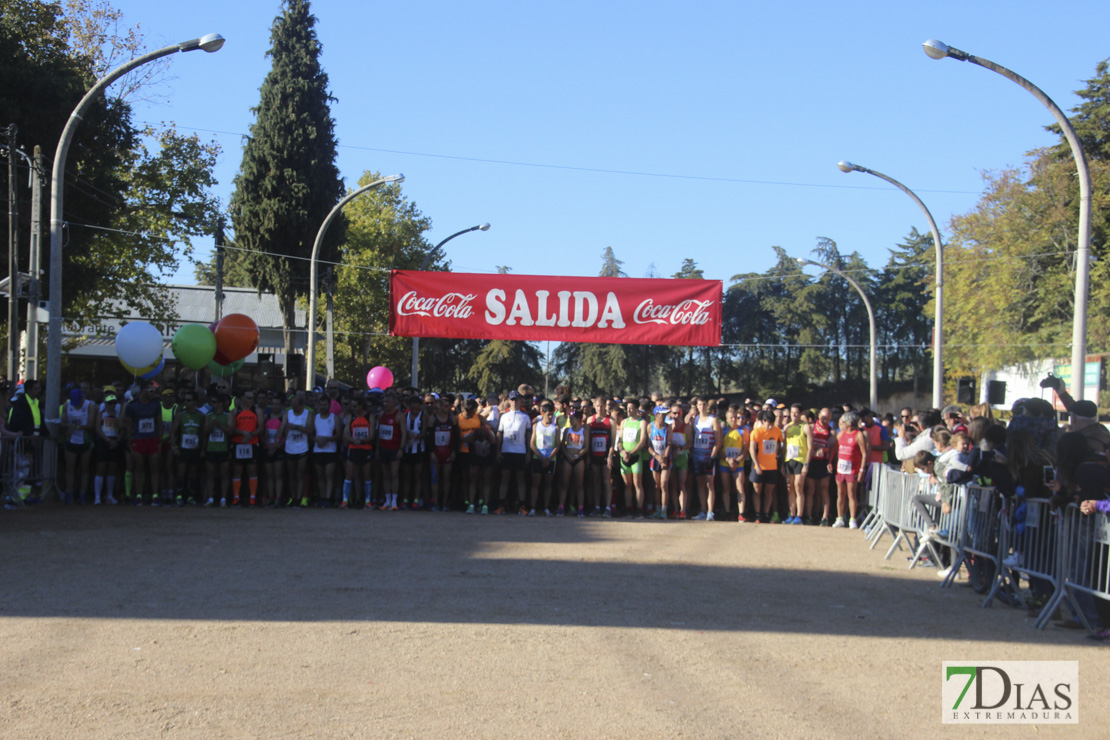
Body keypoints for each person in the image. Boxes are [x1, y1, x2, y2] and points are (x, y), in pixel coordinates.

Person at [124, 381, 162, 506]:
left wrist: (159, 441)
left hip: (152, 439)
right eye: (150, 390)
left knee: (154, 467)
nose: (153, 393)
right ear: (142, 391)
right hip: (138, 439)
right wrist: (130, 441)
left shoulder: (156, 405)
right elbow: (128, 425)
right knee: (138, 467)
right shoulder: (132, 406)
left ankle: (155, 496)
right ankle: (138, 495)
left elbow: (159, 423)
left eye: (154, 391)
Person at [495, 391, 531, 515]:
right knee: (504, 479)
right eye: (512, 400)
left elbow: (528, 436)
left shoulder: (525, 417)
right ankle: (501, 505)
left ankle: (522, 506)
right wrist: (498, 451)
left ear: (520, 401)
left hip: (520, 452)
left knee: (521, 480)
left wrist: (528, 452)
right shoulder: (504, 417)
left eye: (517, 399)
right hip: (506, 451)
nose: (514, 402)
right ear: (508, 401)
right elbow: (499, 434)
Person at [832, 410, 869, 529]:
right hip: (840, 469)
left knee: (851, 494)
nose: (841, 423)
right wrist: (830, 461)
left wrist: (862, 470)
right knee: (840, 494)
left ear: (848, 423)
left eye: (842, 421)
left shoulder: (858, 435)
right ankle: (840, 518)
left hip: (852, 469)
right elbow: (834, 447)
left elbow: (864, 453)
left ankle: (852, 519)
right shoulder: (841, 433)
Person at [169, 390, 206, 506]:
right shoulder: (180, 415)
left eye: (189, 400)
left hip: (195, 448)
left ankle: (191, 496)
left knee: (193, 474)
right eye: (185, 400)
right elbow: (173, 432)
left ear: (195, 402)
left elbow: (203, 434)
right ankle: (179, 496)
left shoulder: (201, 416)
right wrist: (174, 446)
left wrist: (203, 449)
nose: (186, 402)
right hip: (183, 448)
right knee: (181, 473)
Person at [615, 398, 649, 518]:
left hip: (635, 456)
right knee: (627, 484)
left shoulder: (642, 422)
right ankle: (629, 508)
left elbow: (642, 441)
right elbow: (620, 440)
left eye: (631, 408)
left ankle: (639, 509)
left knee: (637, 483)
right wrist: (623, 451)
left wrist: (631, 453)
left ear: (636, 409)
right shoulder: (624, 422)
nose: (628, 410)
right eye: (627, 408)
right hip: (624, 457)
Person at [750, 409, 784, 524]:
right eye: (768, 423)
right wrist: (757, 465)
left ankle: (765, 513)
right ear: (763, 421)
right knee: (757, 490)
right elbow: (752, 449)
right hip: (759, 466)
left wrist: (780, 458)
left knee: (769, 491)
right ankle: (757, 514)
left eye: (772, 424)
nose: (770, 426)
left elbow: (780, 445)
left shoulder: (777, 431)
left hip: (772, 466)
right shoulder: (757, 432)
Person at [61, 386, 95, 504]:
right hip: (71, 440)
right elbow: (63, 422)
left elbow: (91, 424)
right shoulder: (67, 405)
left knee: (84, 468)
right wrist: (66, 428)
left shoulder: (89, 405)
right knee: (70, 468)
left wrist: (78, 427)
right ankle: (69, 493)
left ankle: (82, 494)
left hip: (85, 440)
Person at [280, 390, 313, 508]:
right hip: (290, 447)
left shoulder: (307, 414)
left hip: (302, 448)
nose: (292, 408)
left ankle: (299, 498)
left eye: (295, 405)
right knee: (291, 474)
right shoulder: (287, 414)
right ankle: (293, 497)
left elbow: (310, 430)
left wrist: (296, 427)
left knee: (300, 473)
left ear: (300, 405)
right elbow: (282, 429)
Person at [690, 396, 721, 521]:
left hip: (708, 455)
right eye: (700, 405)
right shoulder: (695, 420)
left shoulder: (713, 420)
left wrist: (713, 456)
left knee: (710, 484)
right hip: (697, 455)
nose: (702, 407)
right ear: (696, 406)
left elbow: (718, 441)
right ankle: (703, 510)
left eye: (704, 404)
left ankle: (710, 511)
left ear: (707, 406)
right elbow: (692, 437)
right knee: (700, 484)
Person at [528, 400, 561, 515]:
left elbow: (557, 445)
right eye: (548, 414)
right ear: (542, 413)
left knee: (548, 484)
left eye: (552, 414)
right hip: (538, 458)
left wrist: (549, 458)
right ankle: (533, 508)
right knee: (535, 483)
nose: (550, 416)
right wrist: (540, 457)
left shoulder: (556, 427)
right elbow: (532, 443)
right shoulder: (536, 426)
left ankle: (546, 508)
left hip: (551, 460)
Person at [230, 388, 261, 507]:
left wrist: (251, 435)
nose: (251, 400)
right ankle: (236, 498)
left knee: (252, 470)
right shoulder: (235, 411)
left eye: (252, 398)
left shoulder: (256, 410)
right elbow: (232, 428)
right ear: (242, 398)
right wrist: (243, 433)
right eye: (248, 398)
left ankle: (252, 498)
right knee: (237, 471)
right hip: (239, 443)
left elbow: (261, 427)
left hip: (252, 444)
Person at [91, 391, 123, 505]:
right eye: (109, 403)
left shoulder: (118, 414)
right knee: (101, 468)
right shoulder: (102, 413)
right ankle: (97, 497)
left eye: (114, 403)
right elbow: (97, 428)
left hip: (115, 442)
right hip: (104, 441)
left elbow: (122, 429)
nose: (112, 405)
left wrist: (117, 440)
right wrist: (107, 440)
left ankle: (110, 495)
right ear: (106, 404)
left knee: (112, 469)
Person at [717, 405, 748, 522]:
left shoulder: (743, 430)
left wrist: (736, 461)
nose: (734, 420)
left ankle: (741, 513)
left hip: (738, 463)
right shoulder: (722, 430)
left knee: (740, 487)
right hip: (725, 463)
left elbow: (745, 449)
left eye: (735, 417)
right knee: (726, 488)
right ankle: (727, 511)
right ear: (726, 419)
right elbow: (719, 448)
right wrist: (728, 460)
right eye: (731, 418)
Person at [376, 392, 406, 510]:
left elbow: (404, 434)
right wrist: (378, 449)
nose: (385, 404)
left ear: (393, 403)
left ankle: (394, 501)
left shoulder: (400, 416)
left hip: (394, 448)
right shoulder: (380, 415)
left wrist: (401, 449)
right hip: (383, 448)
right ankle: (387, 500)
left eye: (387, 401)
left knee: (394, 475)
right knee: (385, 475)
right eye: (384, 402)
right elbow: (379, 433)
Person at [803, 408, 833, 526]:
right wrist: (815, 447)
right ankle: (809, 515)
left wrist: (824, 449)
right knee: (810, 490)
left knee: (824, 490)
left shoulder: (830, 431)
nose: (825, 420)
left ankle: (824, 517)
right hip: (812, 461)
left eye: (828, 419)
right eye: (824, 418)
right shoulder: (811, 427)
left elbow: (833, 446)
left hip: (823, 462)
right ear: (819, 415)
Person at [202, 394, 233, 508]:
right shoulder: (208, 415)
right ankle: (210, 498)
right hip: (211, 448)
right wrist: (211, 426)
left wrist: (219, 425)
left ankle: (223, 498)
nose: (212, 404)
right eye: (211, 402)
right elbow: (205, 431)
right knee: (210, 475)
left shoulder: (228, 415)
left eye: (214, 402)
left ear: (220, 403)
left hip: (223, 448)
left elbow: (230, 431)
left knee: (225, 475)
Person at [311, 394, 340, 507]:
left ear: (329, 405)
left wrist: (327, 439)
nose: (323, 407)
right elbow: (310, 434)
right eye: (321, 404)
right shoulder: (315, 418)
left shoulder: (334, 418)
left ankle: (328, 498)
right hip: (317, 450)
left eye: (325, 404)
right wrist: (317, 440)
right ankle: (322, 497)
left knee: (329, 476)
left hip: (330, 450)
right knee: (320, 476)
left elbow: (339, 435)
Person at [428, 397, 457, 511]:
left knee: (446, 478)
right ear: (439, 407)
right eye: (445, 406)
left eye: (449, 406)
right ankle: (435, 502)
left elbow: (455, 437)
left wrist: (454, 451)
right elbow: (429, 438)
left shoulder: (452, 419)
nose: (448, 408)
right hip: (436, 452)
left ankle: (444, 502)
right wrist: (431, 452)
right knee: (435, 478)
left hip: (448, 452)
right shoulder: (432, 419)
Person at [560, 406, 589, 517]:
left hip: (578, 459)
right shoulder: (567, 430)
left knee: (579, 485)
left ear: (578, 419)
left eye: (572, 419)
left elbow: (586, 447)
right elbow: (563, 445)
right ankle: (561, 507)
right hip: (568, 458)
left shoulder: (584, 430)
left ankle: (580, 508)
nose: (570, 421)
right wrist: (567, 455)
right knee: (565, 484)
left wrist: (577, 455)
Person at [782, 404, 808, 524]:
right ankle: (791, 514)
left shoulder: (805, 427)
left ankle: (799, 515)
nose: (793, 415)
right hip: (789, 460)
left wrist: (806, 464)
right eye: (792, 413)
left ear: (801, 414)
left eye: (796, 413)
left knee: (798, 487)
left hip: (800, 460)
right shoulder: (787, 428)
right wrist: (782, 463)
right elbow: (784, 446)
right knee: (790, 488)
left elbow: (811, 446)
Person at [587, 397, 614, 517]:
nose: (600, 408)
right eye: (597, 406)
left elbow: (613, 441)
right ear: (594, 407)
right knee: (595, 481)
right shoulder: (589, 420)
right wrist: (588, 456)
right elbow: (587, 440)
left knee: (606, 480)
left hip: (605, 455)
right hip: (594, 454)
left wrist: (610, 456)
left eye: (602, 406)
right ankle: (597, 507)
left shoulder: (611, 421)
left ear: (605, 406)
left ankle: (607, 507)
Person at [647, 405, 673, 520]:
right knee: (656, 485)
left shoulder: (668, 427)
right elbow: (648, 445)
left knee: (664, 484)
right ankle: (657, 510)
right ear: (656, 415)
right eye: (663, 415)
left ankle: (664, 510)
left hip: (666, 459)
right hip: (655, 458)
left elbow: (669, 444)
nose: (665, 417)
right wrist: (656, 456)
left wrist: (664, 458)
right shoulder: (650, 427)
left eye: (666, 415)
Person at [668, 400, 692, 520]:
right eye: (674, 413)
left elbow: (690, 443)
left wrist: (680, 448)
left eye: (678, 413)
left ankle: (683, 510)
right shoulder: (668, 427)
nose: (676, 416)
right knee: (673, 485)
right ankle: (676, 509)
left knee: (682, 484)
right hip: (671, 457)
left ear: (682, 413)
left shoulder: (686, 427)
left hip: (682, 457)